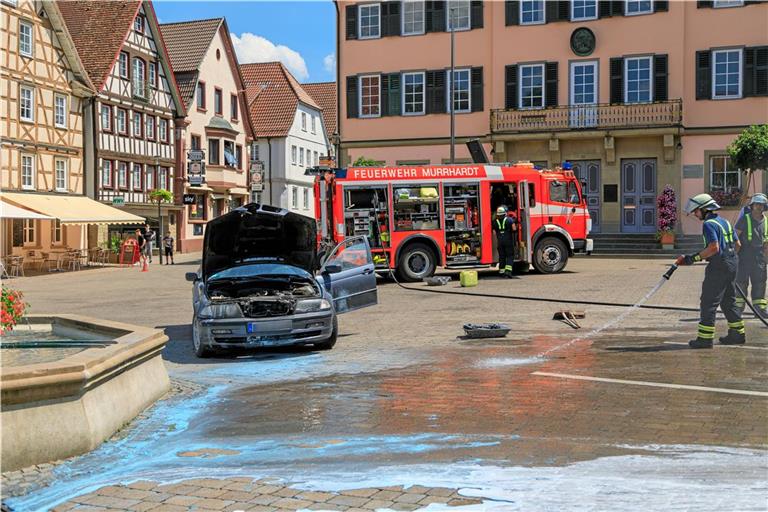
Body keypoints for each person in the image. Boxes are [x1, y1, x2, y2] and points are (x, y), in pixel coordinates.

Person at [675, 193, 745, 348]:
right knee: (729, 301)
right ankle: (737, 334)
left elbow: (713, 248)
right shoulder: (724, 222)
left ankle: (705, 339)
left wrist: (692, 258)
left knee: (708, 302)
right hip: (732, 263)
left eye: (696, 210)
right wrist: (729, 261)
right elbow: (738, 244)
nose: (694, 213)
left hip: (719, 267)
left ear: (705, 209)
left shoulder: (709, 224)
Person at [734, 193, 767, 318]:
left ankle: (760, 309)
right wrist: (733, 256)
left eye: (762, 205)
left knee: (760, 283)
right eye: (757, 204)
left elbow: (766, 243)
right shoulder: (744, 219)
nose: (759, 207)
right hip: (744, 255)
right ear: (752, 206)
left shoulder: (766, 221)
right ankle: (738, 309)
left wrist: (766, 259)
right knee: (741, 282)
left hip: (759, 257)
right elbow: (735, 237)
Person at [492, 205, 517, 278]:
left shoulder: (494, 222)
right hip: (508, 241)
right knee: (510, 256)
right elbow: (514, 229)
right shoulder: (509, 220)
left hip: (500, 242)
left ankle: (501, 272)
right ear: (505, 213)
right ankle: (508, 272)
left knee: (502, 257)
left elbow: (494, 233)